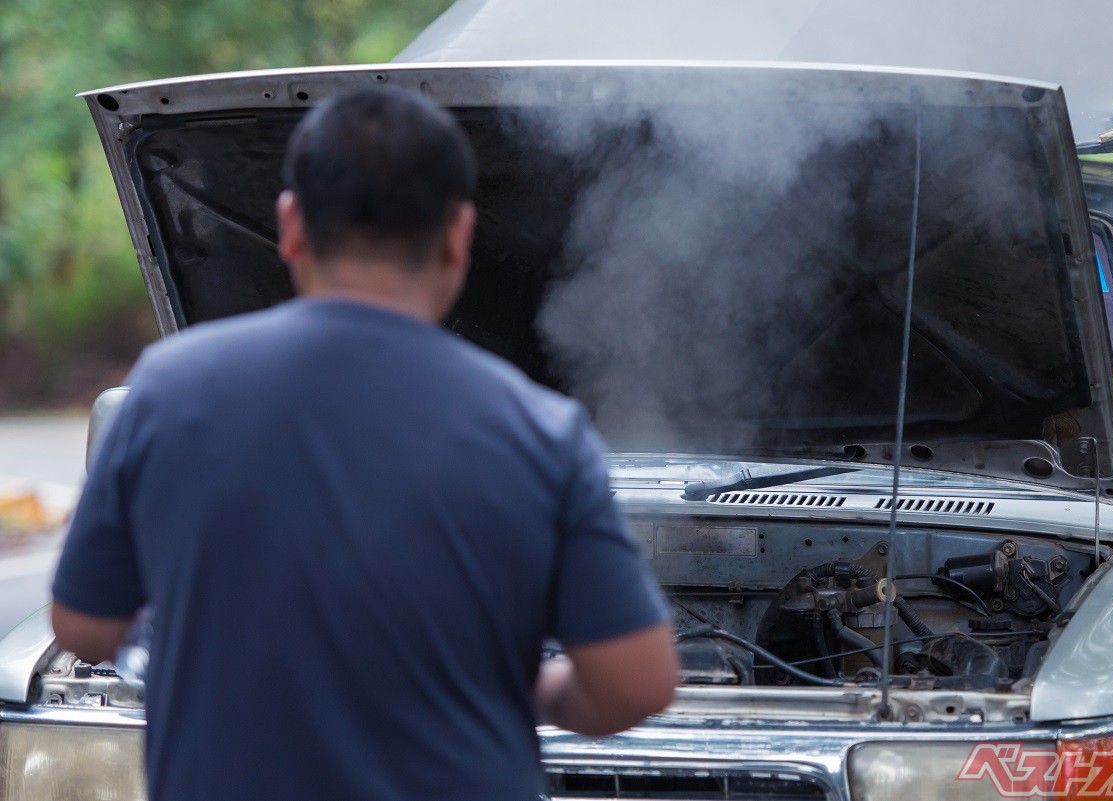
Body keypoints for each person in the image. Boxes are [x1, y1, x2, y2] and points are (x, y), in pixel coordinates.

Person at [50, 88, 677, 801]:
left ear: (290, 226)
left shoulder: (170, 386)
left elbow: (84, 625)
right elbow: (636, 681)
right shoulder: (539, 428)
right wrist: (519, 685)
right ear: (458, 236)